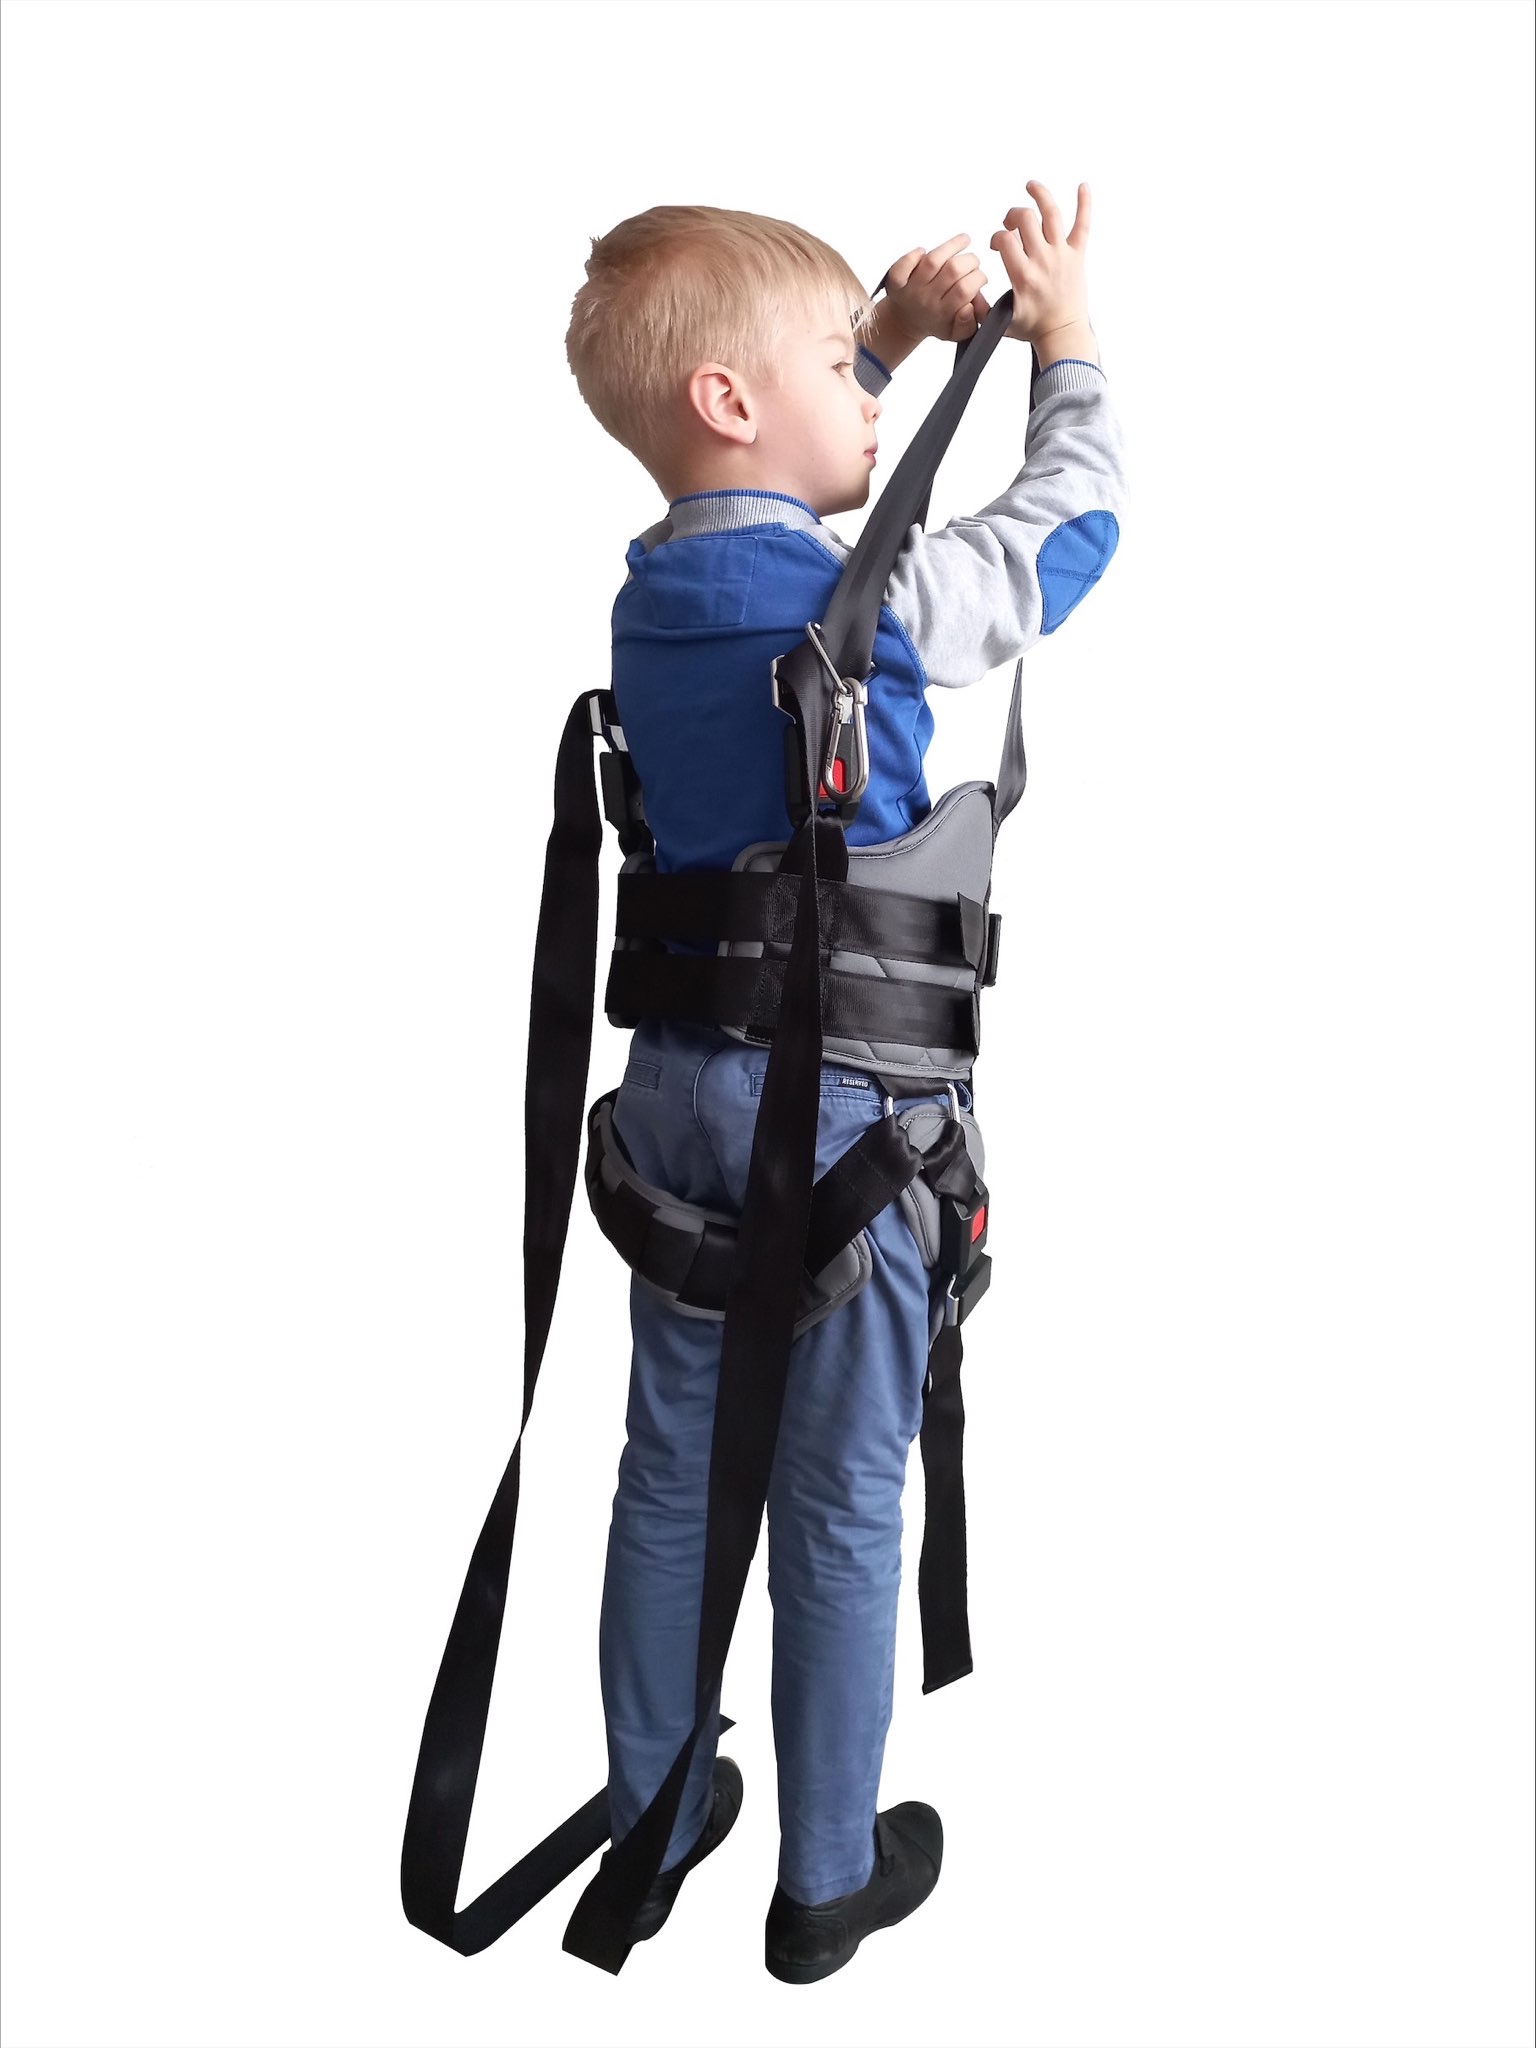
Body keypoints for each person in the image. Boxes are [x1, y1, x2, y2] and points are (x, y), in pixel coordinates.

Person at [562, 186, 1127, 1983]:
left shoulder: (657, 596)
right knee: (837, 1497)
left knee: (670, 1471)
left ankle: (654, 1813)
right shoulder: (861, 605)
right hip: (853, 1129)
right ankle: (823, 1879)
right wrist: (1063, 340)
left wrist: (875, 336)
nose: (867, 400)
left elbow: (779, 470)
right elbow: (1074, 528)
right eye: (838, 370)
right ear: (736, 400)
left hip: (679, 1107)